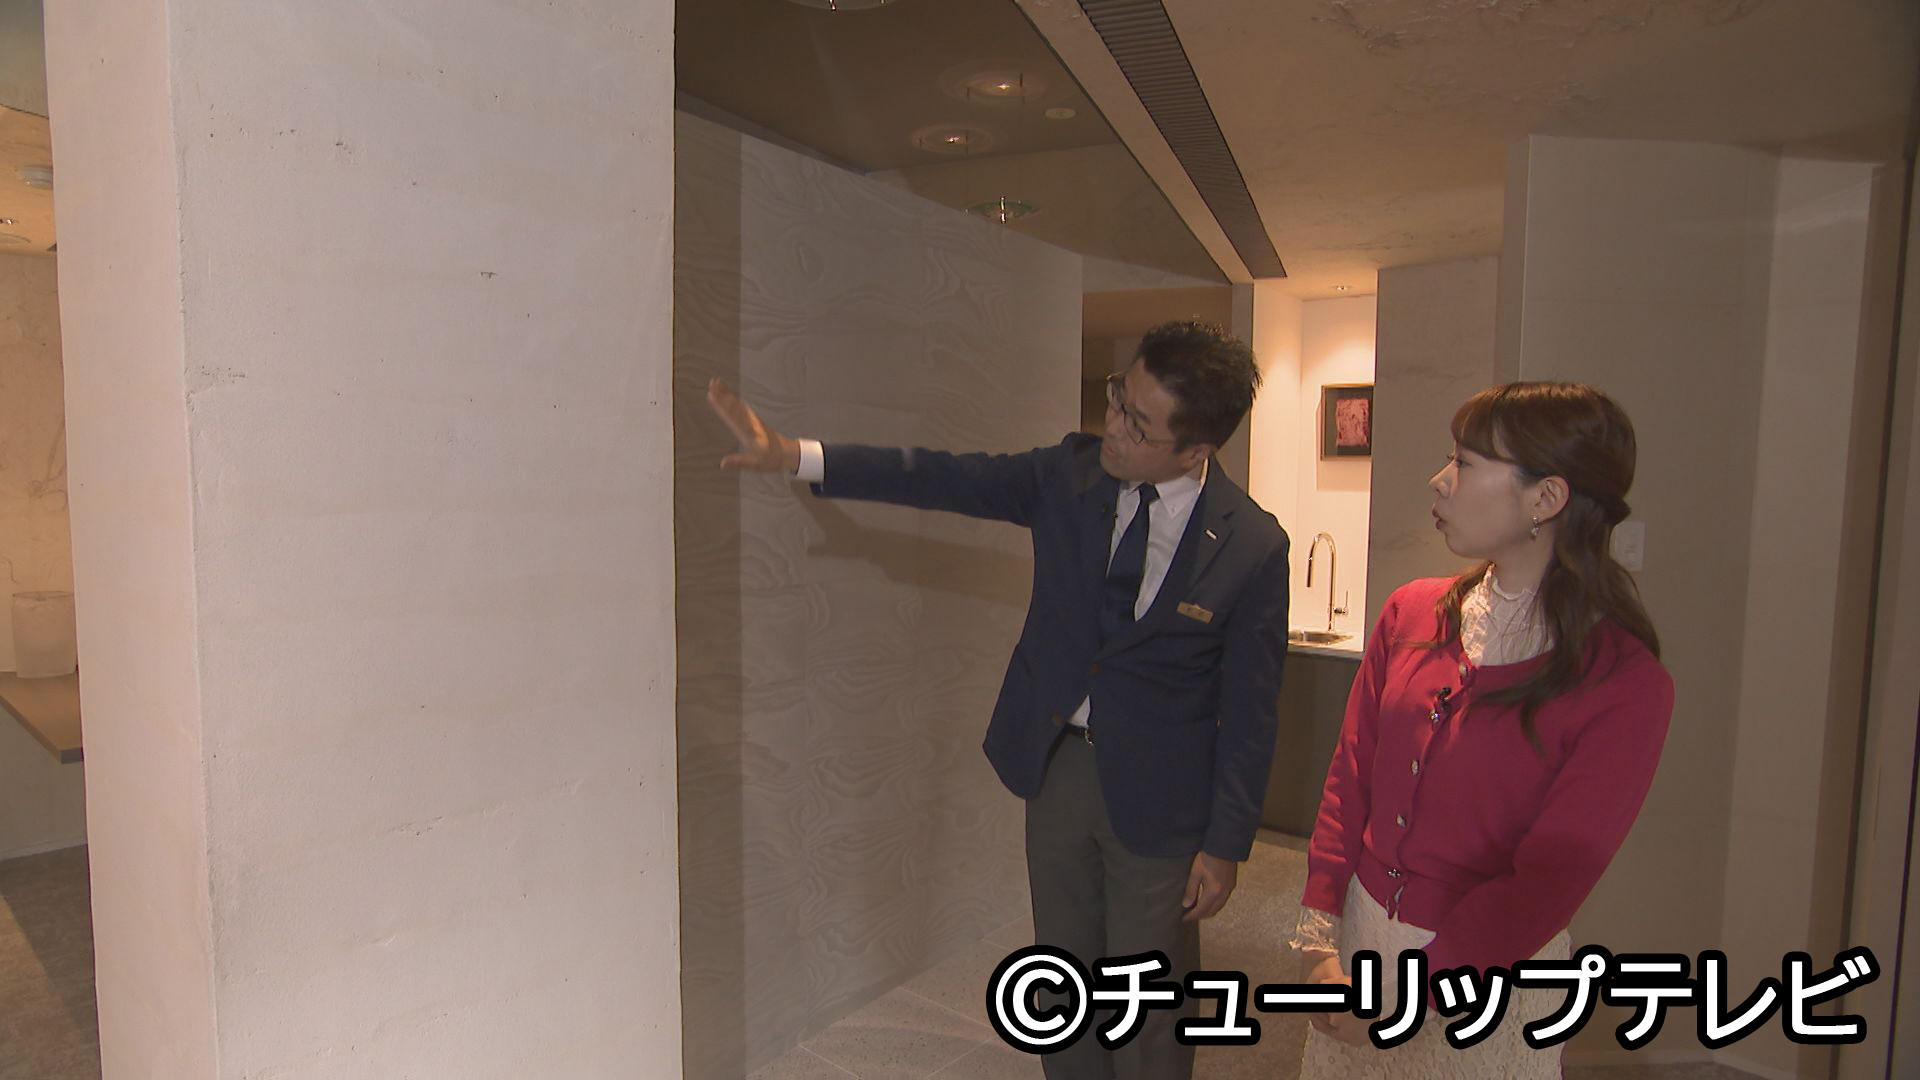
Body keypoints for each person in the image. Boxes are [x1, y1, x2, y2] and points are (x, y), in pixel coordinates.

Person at [708, 321, 1290, 1080]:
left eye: (1139, 424)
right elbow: (946, 477)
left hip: (1164, 796)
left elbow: (1251, 712)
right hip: (1058, 767)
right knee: (1065, 975)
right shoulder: (1071, 474)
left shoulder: (1252, 545)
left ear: (1195, 449)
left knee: (1149, 989)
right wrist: (798, 455)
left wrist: (1226, 844)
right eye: (1119, 398)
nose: (1113, 425)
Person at [1292, 381, 1674, 1078]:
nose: (1440, 480)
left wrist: (1412, 993)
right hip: (1360, 944)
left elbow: (1548, 880)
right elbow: (1350, 776)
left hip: (1486, 981)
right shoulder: (1411, 613)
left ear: (1545, 498)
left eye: (1465, 463)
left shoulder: (1623, 682)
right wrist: (1320, 940)